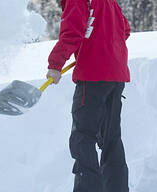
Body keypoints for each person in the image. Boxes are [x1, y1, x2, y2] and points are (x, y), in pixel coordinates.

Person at [46, 0, 131, 192]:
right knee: (111, 139)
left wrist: (55, 65)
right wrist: (99, 47)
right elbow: (125, 30)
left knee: (82, 138)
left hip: (93, 77)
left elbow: (72, 33)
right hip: (116, 77)